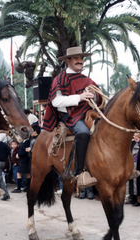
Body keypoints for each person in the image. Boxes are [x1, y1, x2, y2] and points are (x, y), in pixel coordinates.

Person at [42, 46, 100, 188]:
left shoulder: (87, 80)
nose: (80, 61)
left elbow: (98, 98)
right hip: (71, 117)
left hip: (88, 114)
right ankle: (79, 173)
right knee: (83, 133)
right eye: (76, 58)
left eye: (81, 58)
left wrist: (96, 94)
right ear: (68, 60)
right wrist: (79, 97)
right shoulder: (60, 78)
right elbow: (56, 102)